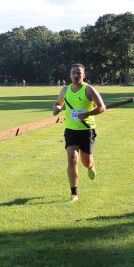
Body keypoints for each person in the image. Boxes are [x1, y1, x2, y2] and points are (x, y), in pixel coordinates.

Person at [52, 63, 106, 202]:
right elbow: (58, 103)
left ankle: (91, 166)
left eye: (79, 73)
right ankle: (74, 194)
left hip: (86, 130)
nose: (76, 75)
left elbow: (102, 107)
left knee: (86, 162)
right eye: (73, 72)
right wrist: (57, 108)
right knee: (72, 160)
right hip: (71, 130)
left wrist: (87, 114)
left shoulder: (89, 90)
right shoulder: (65, 90)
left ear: (84, 75)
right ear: (70, 75)